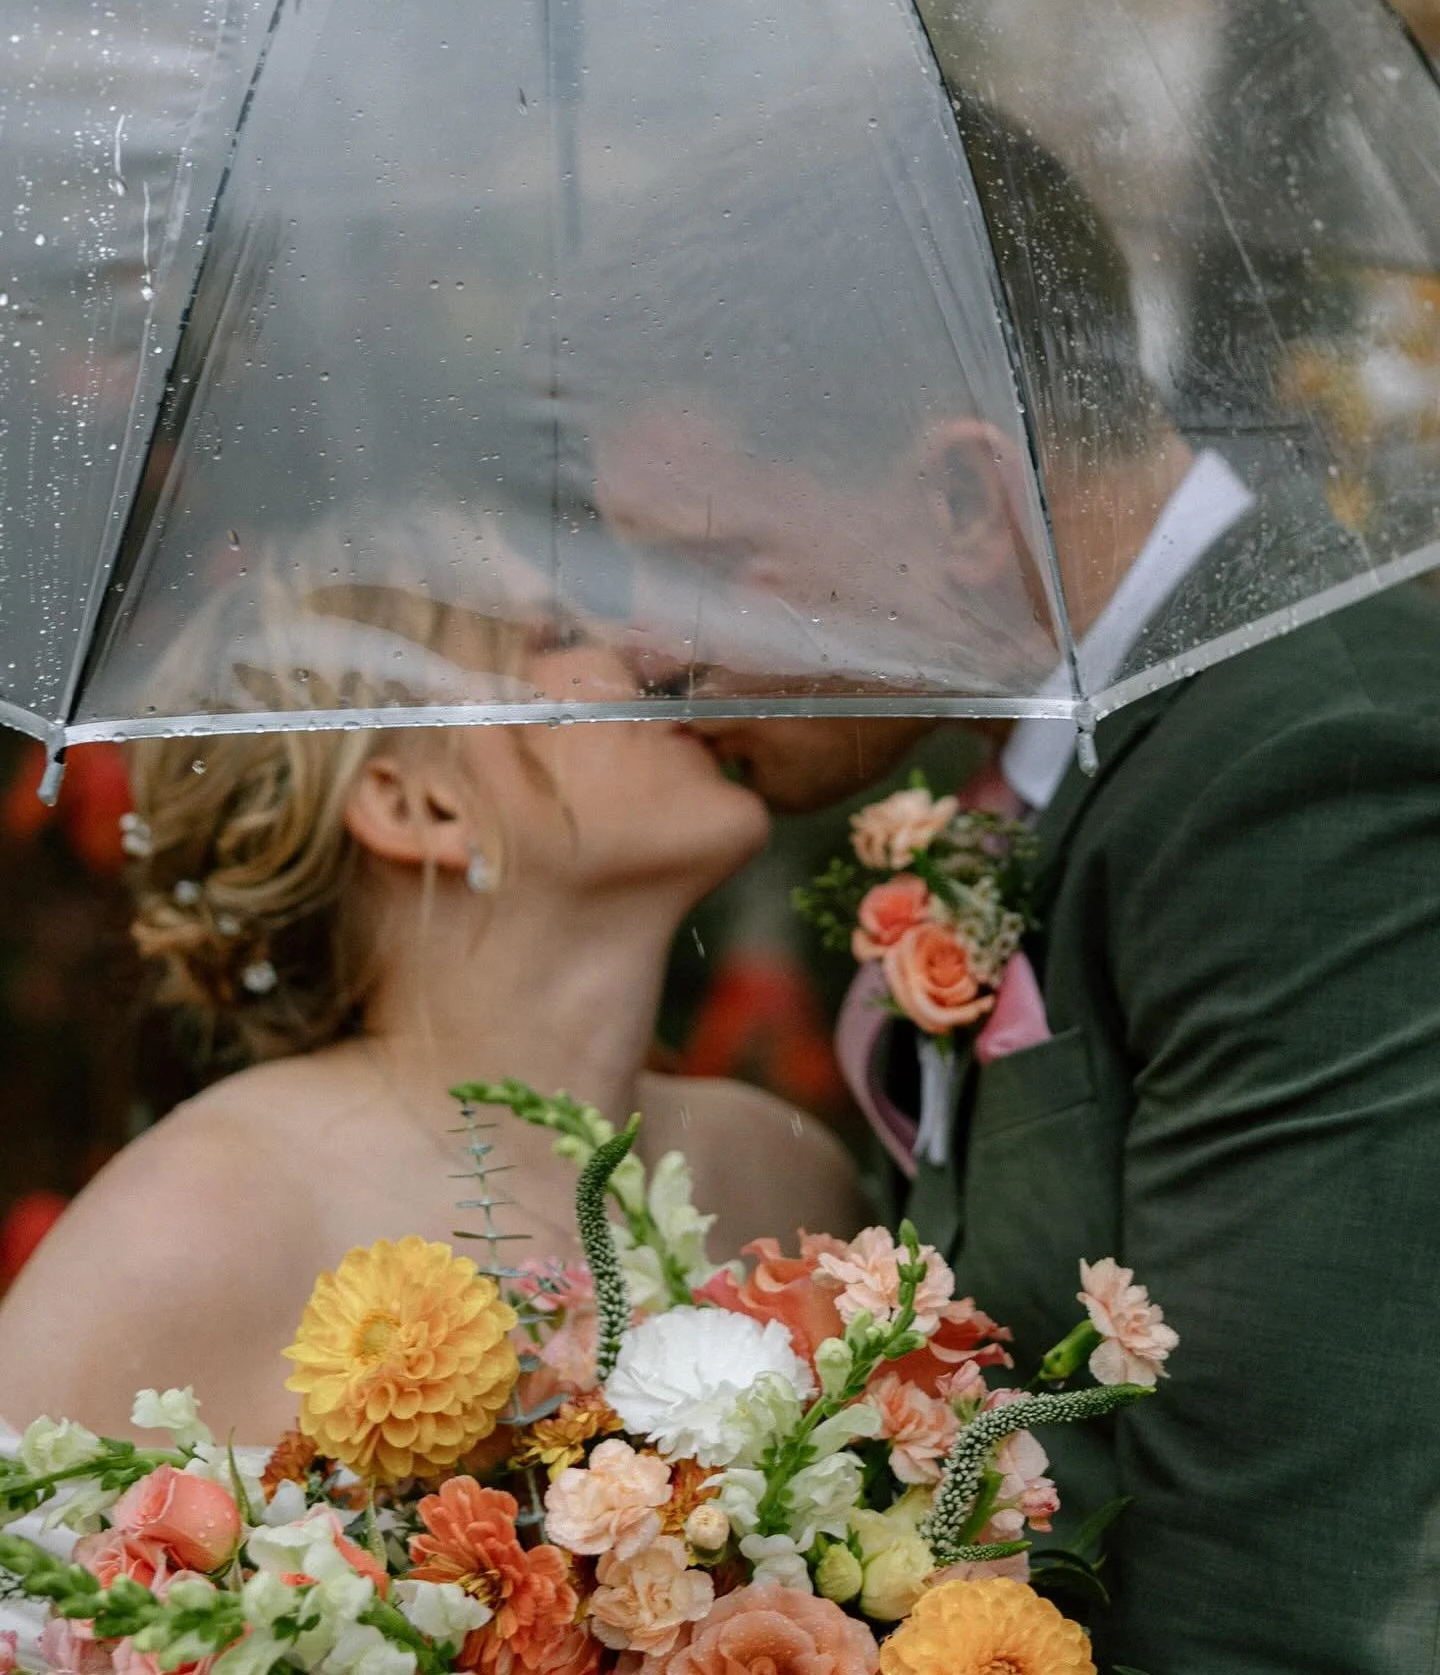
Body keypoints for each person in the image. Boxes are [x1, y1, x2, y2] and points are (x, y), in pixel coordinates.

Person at [583, 103, 1440, 1669]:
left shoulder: (1317, 777)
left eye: (707, 561)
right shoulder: (1057, 753)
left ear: (969, 503)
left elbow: (1296, 1587)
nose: (644, 647)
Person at [0, 531, 864, 1445]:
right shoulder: (196, 1223)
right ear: (419, 805)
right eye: (557, 637)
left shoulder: (785, 1171)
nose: (655, 655)